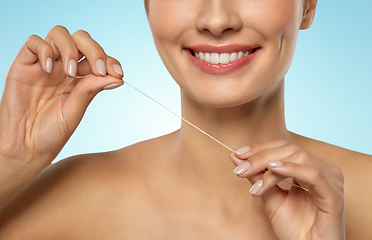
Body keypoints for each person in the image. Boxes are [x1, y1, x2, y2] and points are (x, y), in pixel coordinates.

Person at [0, 0, 371, 239]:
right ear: (147, 7)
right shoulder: (68, 203)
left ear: (307, 6)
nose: (217, 19)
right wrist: (9, 160)